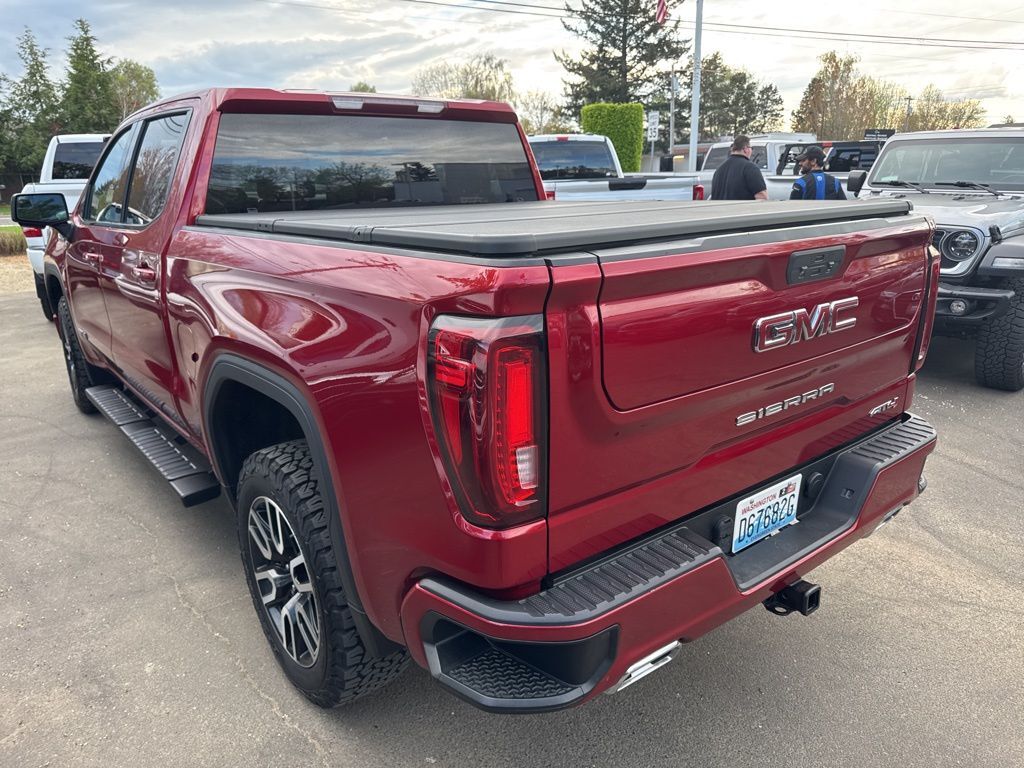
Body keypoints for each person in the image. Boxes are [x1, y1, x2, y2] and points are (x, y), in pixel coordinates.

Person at [710, 135, 768, 201]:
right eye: (751, 148)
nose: (751, 151)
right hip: (742, 210)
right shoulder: (750, 168)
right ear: (745, 149)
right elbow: (762, 196)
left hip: (720, 210)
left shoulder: (719, 170)